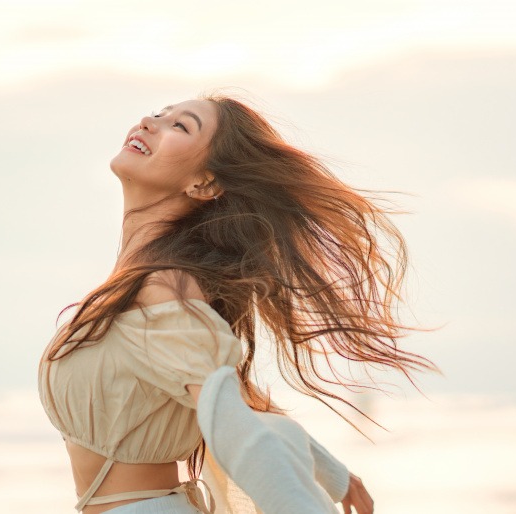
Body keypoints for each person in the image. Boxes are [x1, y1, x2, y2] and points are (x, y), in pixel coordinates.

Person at [38, 92, 441, 514]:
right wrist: (329, 470)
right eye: (159, 112)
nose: (149, 120)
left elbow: (231, 424)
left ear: (205, 182)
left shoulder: (163, 286)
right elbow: (233, 401)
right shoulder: (138, 284)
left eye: (180, 125)